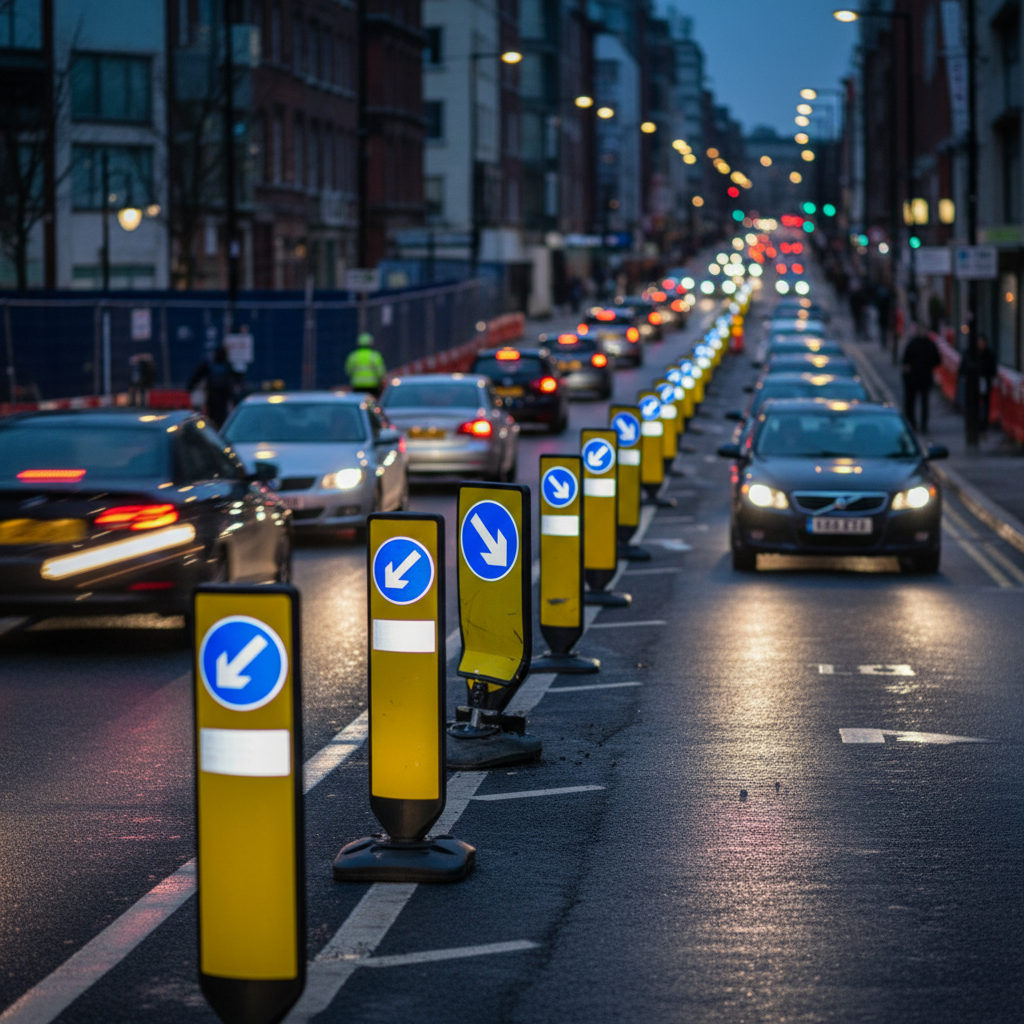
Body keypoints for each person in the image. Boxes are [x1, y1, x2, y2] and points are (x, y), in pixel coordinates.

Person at [188, 345, 242, 428]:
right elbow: (236, 378)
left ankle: (213, 429)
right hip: (223, 396)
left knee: (212, 414)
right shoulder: (227, 366)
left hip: (212, 395)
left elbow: (196, 376)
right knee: (222, 415)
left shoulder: (209, 365)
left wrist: (190, 387)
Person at [901, 328, 941, 432]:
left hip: (913, 379)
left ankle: (913, 424)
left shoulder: (912, 344)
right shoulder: (930, 345)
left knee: (911, 403)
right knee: (924, 403)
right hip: (925, 378)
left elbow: (905, 361)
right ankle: (923, 425)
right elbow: (937, 361)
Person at [976, 334, 998, 433]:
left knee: (985, 404)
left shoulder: (989, 355)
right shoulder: (975, 354)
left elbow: (993, 369)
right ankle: (978, 423)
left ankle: (983, 424)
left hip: (985, 381)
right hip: (977, 382)